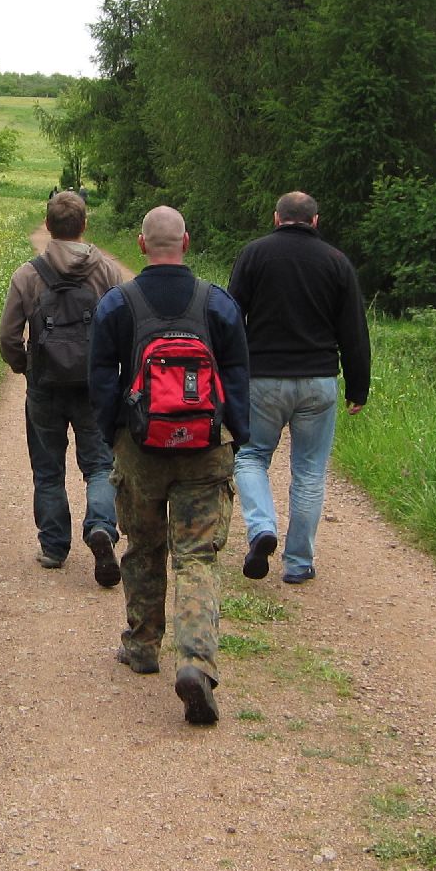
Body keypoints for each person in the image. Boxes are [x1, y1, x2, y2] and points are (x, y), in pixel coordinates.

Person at [88, 206, 251, 726]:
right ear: (186, 241)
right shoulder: (217, 303)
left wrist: (116, 434)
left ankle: (141, 647)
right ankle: (196, 664)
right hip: (206, 448)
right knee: (197, 557)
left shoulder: (118, 303)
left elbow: (101, 381)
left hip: (141, 450)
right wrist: (236, 436)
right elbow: (240, 375)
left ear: (140, 244)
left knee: (143, 545)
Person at [227, 190, 371, 586]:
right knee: (308, 471)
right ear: (315, 222)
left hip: (263, 378)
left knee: (251, 457)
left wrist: (229, 375)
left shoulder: (253, 254)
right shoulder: (337, 262)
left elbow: (230, 316)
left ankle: (261, 529)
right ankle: (298, 562)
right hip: (318, 381)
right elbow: (354, 331)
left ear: (276, 218)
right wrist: (358, 386)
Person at [0, 190, 133, 585]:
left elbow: (8, 336)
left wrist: (23, 366)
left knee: (48, 469)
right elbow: (123, 326)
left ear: (48, 226)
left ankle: (55, 547)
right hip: (94, 387)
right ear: (84, 226)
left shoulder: (28, 274)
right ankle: (103, 527)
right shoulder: (106, 271)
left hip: (45, 386)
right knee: (99, 465)